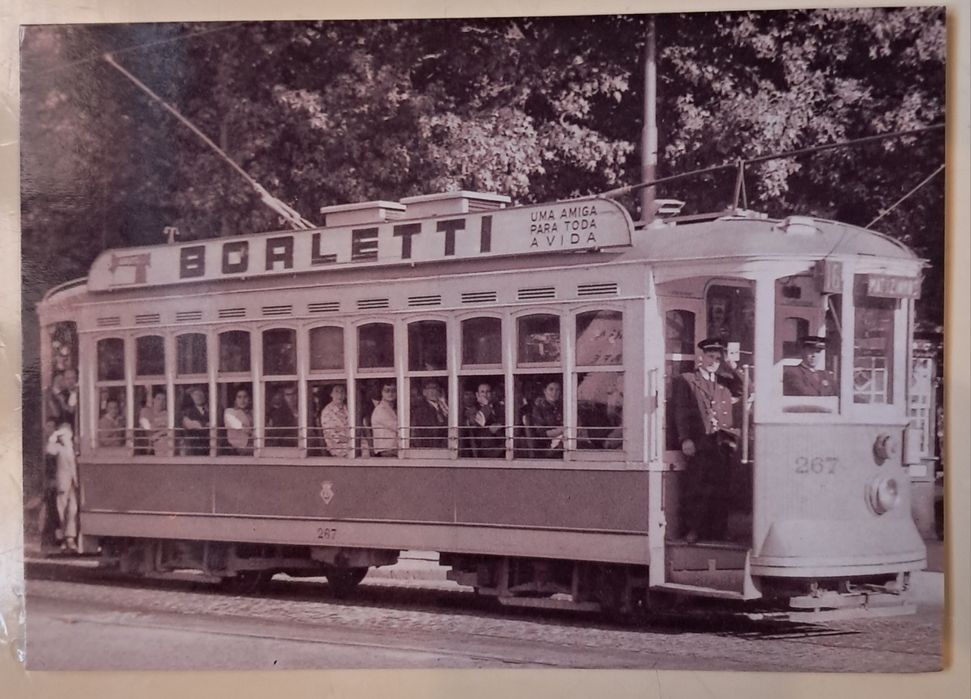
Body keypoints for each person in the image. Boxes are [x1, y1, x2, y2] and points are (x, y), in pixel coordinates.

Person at [672, 337, 744, 544]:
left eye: (717, 358)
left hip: (722, 443)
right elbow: (681, 412)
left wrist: (731, 366)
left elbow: (747, 387)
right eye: (710, 356)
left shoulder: (723, 382)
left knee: (721, 489)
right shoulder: (687, 380)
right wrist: (685, 439)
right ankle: (693, 530)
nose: (714, 361)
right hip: (700, 442)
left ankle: (719, 531)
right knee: (697, 487)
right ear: (701, 357)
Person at [45, 423, 78, 553]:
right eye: (62, 435)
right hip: (63, 483)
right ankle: (65, 539)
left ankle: (71, 537)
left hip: (73, 484)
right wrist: (54, 435)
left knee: (73, 510)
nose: (65, 437)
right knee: (62, 510)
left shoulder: (73, 448)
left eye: (66, 434)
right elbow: (49, 450)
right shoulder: (58, 447)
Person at [467, 382, 505, 458]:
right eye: (482, 392)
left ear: (492, 394)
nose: (485, 394)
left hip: (503, 443)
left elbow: (504, 420)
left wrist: (500, 425)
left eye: (488, 392)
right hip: (485, 448)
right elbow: (480, 421)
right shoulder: (472, 410)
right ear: (477, 395)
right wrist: (487, 405)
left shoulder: (498, 407)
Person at [410, 379, 449, 448]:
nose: (432, 391)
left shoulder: (444, 407)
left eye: (435, 388)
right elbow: (416, 434)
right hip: (428, 448)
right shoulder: (420, 410)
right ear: (424, 392)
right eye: (429, 388)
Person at [530, 380, 564, 458]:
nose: (554, 393)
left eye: (557, 390)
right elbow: (541, 433)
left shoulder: (561, 407)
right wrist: (562, 430)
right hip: (546, 446)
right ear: (545, 391)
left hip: (563, 440)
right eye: (551, 389)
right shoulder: (538, 408)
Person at [319, 384, 350, 457]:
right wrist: (350, 440)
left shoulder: (348, 408)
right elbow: (331, 434)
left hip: (350, 442)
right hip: (337, 446)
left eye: (342, 392)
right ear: (331, 394)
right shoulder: (327, 411)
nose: (340, 395)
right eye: (336, 392)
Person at [139, 391, 172, 456]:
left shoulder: (168, 414)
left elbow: (170, 428)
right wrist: (163, 429)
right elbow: (148, 428)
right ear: (153, 399)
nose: (161, 402)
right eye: (158, 399)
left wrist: (159, 433)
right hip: (148, 445)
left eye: (164, 400)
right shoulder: (145, 411)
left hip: (164, 445)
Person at [370, 382, 399, 457]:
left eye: (393, 391)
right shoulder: (380, 410)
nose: (390, 393)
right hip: (385, 450)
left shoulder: (392, 408)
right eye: (387, 391)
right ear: (381, 392)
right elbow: (398, 427)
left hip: (394, 448)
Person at [181, 387, 210, 455]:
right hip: (194, 446)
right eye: (195, 395)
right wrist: (205, 424)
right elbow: (190, 425)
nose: (199, 397)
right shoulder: (187, 412)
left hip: (209, 446)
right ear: (191, 397)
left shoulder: (211, 410)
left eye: (200, 394)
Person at [223, 388, 253, 454]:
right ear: (235, 400)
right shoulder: (229, 411)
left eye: (245, 397)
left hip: (253, 445)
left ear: (249, 399)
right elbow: (237, 425)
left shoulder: (252, 412)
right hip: (238, 447)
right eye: (239, 397)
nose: (242, 400)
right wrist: (252, 432)